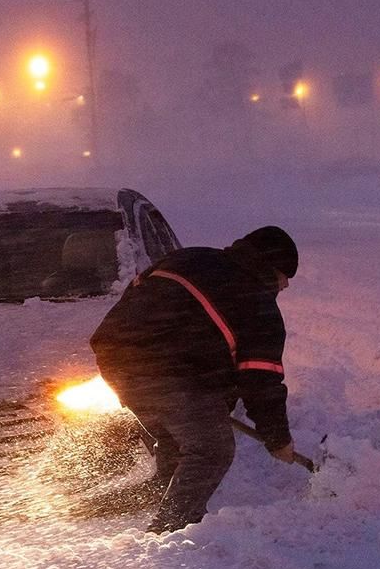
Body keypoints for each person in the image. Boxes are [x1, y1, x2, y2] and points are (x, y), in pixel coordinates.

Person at [89, 225, 311, 534]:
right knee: (212, 449)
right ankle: (170, 531)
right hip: (167, 372)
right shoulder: (257, 303)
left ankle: (155, 501)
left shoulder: (188, 257)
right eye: (285, 276)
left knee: (177, 441)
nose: (285, 285)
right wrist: (278, 440)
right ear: (271, 267)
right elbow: (261, 382)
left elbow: (138, 298)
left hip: (115, 359)